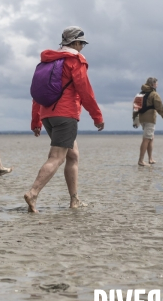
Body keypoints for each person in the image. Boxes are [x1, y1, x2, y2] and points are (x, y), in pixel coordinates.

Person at [24, 26, 104, 213]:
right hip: (65, 114)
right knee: (57, 157)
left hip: (47, 116)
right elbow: (85, 90)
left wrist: (36, 120)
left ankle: (74, 200)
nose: (82, 48)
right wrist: (97, 116)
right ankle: (33, 192)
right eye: (81, 44)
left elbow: (37, 94)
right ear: (75, 43)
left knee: (73, 155)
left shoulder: (46, 62)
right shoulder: (74, 61)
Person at [132, 77, 163, 166]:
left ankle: (150, 159)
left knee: (151, 138)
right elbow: (159, 107)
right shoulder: (154, 94)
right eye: (156, 83)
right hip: (150, 119)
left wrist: (134, 119)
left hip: (142, 119)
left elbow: (135, 108)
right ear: (152, 84)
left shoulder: (140, 94)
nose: (157, 85)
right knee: (146, 138)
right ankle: (141, 160)